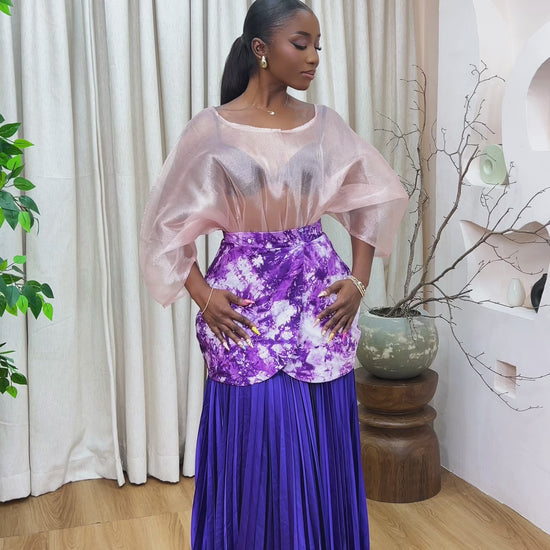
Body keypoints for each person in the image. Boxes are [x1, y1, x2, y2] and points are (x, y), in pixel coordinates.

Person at [140, 0, 408, 547]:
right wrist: (202, 294)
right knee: (255, 434)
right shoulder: (210, 129)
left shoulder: (324, 124)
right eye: (300, 44)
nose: (313, 58)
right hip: (243, 307)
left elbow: (372, 197)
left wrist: (359, 281)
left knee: (320, 431)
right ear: (261, 49)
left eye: (317, 46)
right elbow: (165, 224)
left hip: (318, 305)